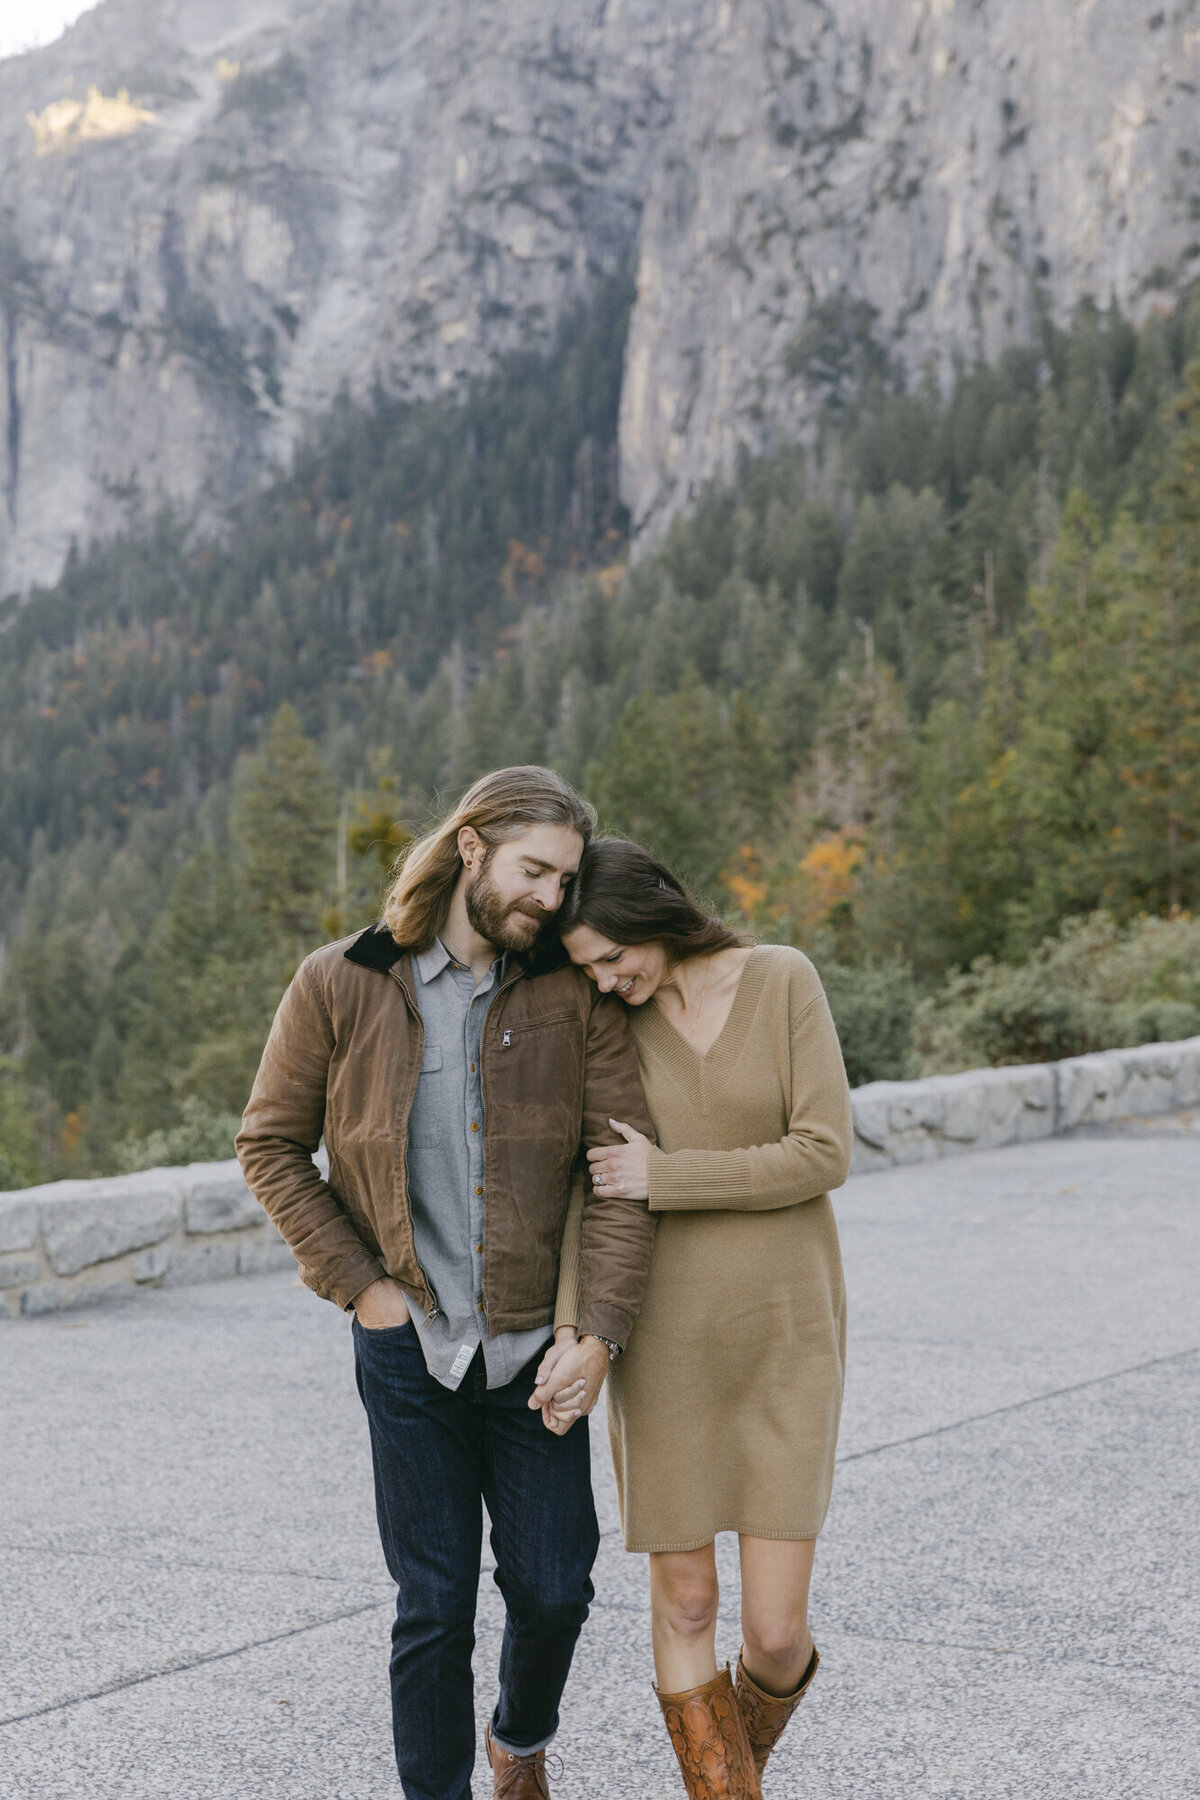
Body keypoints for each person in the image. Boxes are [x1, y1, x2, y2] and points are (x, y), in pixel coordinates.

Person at [237, 769, 656, 1800]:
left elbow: (619, 1172)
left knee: (555, 1590)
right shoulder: (340, 982)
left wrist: (597, 1332)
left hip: (534, 1351)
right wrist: (365, 1295)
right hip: (408, 1344)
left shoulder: (570, 996)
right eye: (534, 871)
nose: (551, 900)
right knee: (433, 1602)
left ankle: (519, 1741)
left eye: (565, 881)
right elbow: (270, 1147)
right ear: (471, 846)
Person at [534, 837, 852, 1800]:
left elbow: (823, 1152)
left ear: (652, 915)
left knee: (775, 1633)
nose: (604, 977)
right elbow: (587, 1196)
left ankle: (731, 1771)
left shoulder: (781, 981)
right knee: (685, 1600)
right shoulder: (606, 1029)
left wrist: (668, 1176)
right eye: (584, 965)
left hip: (788, 1337)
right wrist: (573, 1333)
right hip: (664, 1343)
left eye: (610, 954)